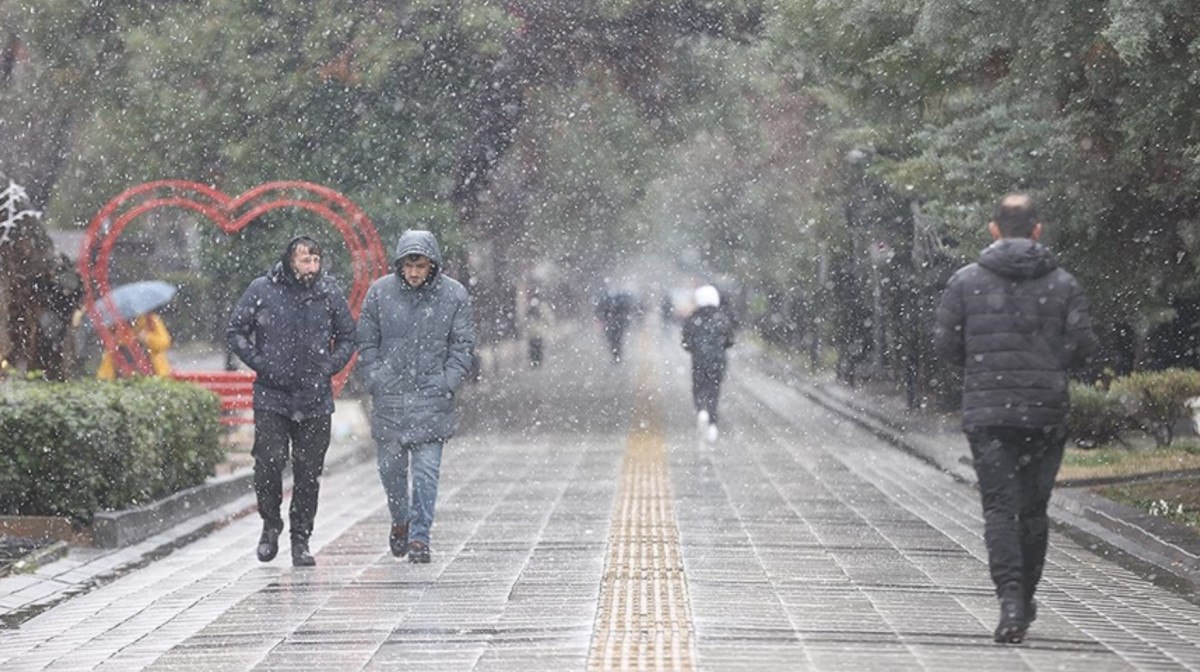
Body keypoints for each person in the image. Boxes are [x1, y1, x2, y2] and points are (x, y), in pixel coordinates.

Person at [933, 194, 1096, 644]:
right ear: (1037, 230)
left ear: (994, 229)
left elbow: (945, 344)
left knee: (1000, 509)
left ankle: (1009, 599)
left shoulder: (965, 282)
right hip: (1045, 411)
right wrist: (1047, 369)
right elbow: (1083, 346)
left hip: (988, 413)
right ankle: (1025, 597)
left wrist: (982, 369)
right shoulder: (1064, 284)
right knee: (1033, 509)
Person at [226, 235, 356, 567]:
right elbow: (236, 331)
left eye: (315, 261)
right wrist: (260, 362)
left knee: (308, 472)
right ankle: (271, 524)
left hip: (315, 398)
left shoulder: (328, 293)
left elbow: (347, 336)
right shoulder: (262, 290)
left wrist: (328, 365)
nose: (311, 268)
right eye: (304, 261)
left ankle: (301, 539)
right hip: (272, 394)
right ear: (290, 261)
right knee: (268, 462)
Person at [357, 230, 475, 564]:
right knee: (390, 472)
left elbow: (462, 343)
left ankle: (420, 536)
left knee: (426, 474)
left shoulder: (454, 295)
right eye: (409, 266)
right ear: (400, 265)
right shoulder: (380, 293)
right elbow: (366, 339)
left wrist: (447, 381)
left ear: (432, 264)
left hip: (432, 400)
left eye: (421, 266)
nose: (414, 273)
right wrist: (376, 377)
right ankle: (401, 521)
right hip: (390, 401)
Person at [681, 285, 735, 442]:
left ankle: (701, 410)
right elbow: (730, 340)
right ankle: (712, 423)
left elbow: (686, 342)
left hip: (699, 360)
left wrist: (695, 349)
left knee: (699, 387)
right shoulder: (722, 318)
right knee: (714, 390)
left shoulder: (693, 319)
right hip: (718, 361)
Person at [97, 311, 172, 380]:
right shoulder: (114, 323)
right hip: (121, 375)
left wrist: (147, 338)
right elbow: (109, 344)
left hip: (154, 373)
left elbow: (165, 343)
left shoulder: (150, 320)